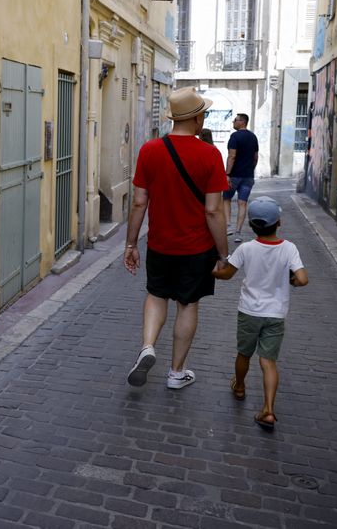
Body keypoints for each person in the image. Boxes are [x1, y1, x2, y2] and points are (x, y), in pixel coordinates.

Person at [124, 87, 230, 390]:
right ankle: (176, 373)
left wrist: (131, 244)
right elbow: (213, 211)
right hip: (196, 248)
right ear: (197, 118)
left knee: (156, 295)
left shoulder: (149, 150)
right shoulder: (210, 155)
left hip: (160, 243)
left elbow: (139, 202)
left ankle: (147, 346)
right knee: (187, 304)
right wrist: (223, 254)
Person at [212, 196, 308, 431]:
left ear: (251, 226)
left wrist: (214, 271)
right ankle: (268, 410)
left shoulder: (246, 248)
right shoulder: (289, 248)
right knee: (268, 361)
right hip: (275, 314)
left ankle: (240, 387)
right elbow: (303, 279)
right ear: (279, 223)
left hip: (249, 311)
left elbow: (227, 274)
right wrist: (292, 281)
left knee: (244, 353)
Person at [223, 113, 259, 243]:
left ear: (242, 122)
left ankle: (228, 226)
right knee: (242, 203)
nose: (233, 122)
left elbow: (232, 156)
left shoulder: (235, 136)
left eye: (235, 120)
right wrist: (251, 169)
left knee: (226, 198)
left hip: (234, 175)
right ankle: (238, 232)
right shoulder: (253, 137)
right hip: (248, 176)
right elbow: (255, 157)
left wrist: (227, 174)